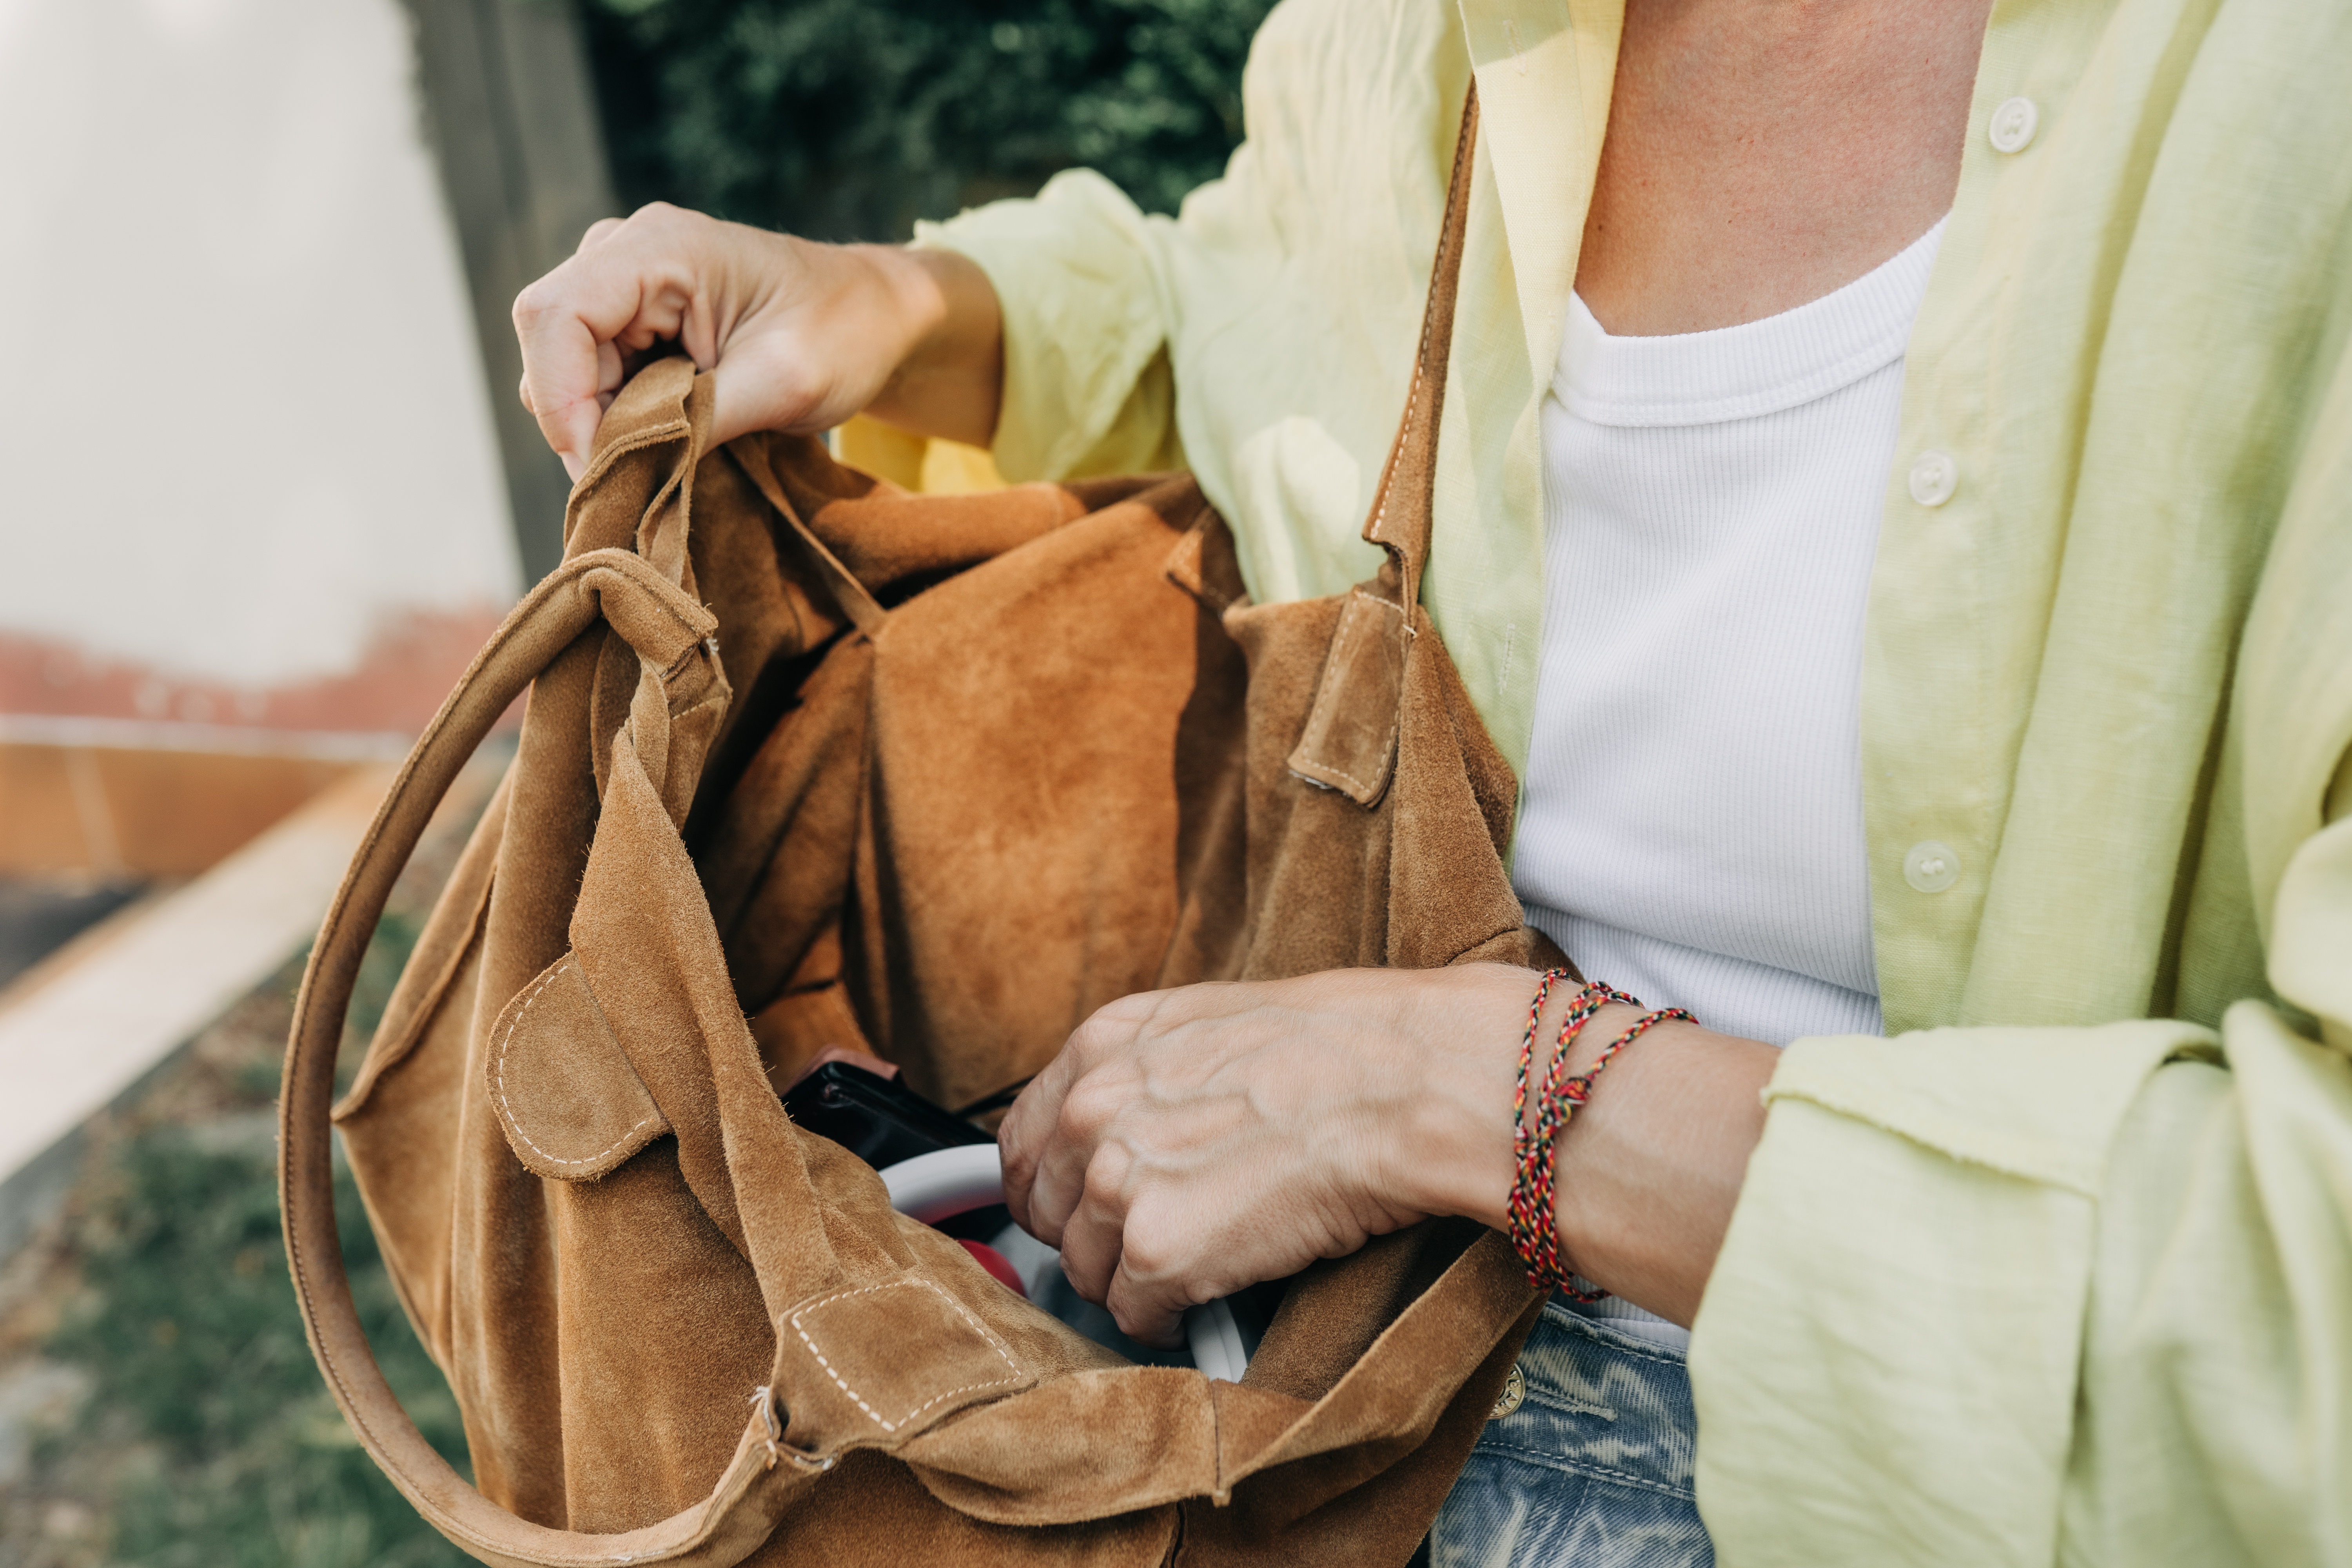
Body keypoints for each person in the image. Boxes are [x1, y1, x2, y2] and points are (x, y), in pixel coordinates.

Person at [510, 0, 2352, 1561]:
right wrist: (917, 306)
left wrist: (1468, 1089)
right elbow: (1249, 296)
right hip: (1340, 1390)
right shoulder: (1424, 40)